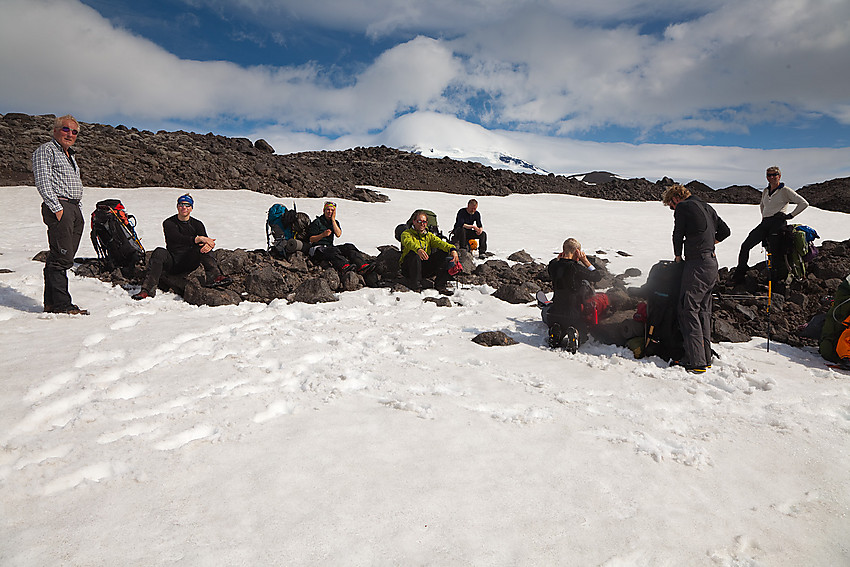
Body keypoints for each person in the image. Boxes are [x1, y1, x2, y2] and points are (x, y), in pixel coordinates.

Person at [662, 184, 731, 374]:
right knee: (702, 311)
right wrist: (709, 243)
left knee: (687, 308)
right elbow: (725, 231)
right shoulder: (707, 207)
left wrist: (678, 256)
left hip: (697, 264)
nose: (672, 209)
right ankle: (704, 357)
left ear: (675, 199)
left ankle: (696, 361)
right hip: (711, 263)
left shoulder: (684, 207)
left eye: (670, 206)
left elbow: (677, 233)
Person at [33, 115, 88, 315]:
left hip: (73, 208)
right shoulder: (46, 150)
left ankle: (51, 304)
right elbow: (42, 180)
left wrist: (77, 207)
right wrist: (56, 208)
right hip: (61, 207)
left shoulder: (70, 155)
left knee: (62, 256)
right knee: (61, 258)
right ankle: (62, 305)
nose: (70, 134)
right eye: (66, 129)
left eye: (74, 132)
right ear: (56, 130)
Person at [132, 194, 231, 300]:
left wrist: (208, 245)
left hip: (190, 262)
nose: (184, 207)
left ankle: (214, 277)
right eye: (181, 205)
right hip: (173, 262)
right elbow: (177, 238)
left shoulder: (197, 224)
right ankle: (147, 291)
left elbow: (205, 241)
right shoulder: (169, 223)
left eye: (187, 205)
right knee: (159, 252)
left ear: (191, 208)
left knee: (202, 248)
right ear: (177, 206)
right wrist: (198, 239)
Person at [732, 166, 808, 284]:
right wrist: (764, 217)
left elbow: (803, 203)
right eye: (769, 175)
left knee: (775, 253)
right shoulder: (766, 191)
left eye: (774, 175)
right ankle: (740, 274)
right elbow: (762, 205)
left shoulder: (785, 190)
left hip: (778, 223)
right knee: (746, 245)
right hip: (766, 223)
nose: (771, 177)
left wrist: (790, 215)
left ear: (779, 176)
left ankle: (775, 280)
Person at [540, 238, 603, 350]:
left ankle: (557, 331)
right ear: (577, 252)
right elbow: (597, 276)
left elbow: (555, 263)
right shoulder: (575, 268)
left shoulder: (552, 265)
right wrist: (585, 261)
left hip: (555, 312)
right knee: (583, 332)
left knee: (546, 310)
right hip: (573, 314)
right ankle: (577, 334)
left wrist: (559, 258)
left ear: (563, 250)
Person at [399, 211, 460, 295]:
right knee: (414, 255)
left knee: (444, 253)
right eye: (419, 221)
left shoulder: (429, 236)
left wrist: (452, 250)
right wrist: (418, 249)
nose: (422, 224)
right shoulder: (406, 234)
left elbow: (441, 243)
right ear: (414, 222)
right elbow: (408, 243)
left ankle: (440, 285)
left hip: (424, 267)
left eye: (424, 222)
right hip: (409, 268)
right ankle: (416, 286)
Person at [307, 201, 372, 274]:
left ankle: (362, 265)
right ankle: (344, 267)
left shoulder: (334, 222)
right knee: (333, 250)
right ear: (324, 210)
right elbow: (311, 239)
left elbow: (338, 234)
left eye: (332, 210)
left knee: (349, 246)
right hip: (317, 249)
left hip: (329, 247)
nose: (329, 212)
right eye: (328, 209)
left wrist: (333, 220)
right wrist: (322, 235)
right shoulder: (317, 222)